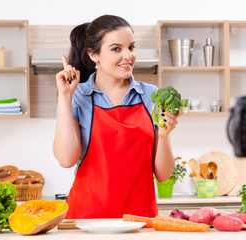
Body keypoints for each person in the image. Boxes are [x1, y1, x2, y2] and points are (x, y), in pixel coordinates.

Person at [53, 15, 183, 219]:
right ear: (93, 55)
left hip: (139, 222)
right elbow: (66, 158)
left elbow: (163, 175)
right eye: (116, 49)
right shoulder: (78, 96)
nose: (128, 56)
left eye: (131, 47)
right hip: (86, 223)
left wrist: (165, 136)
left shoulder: (150, 96)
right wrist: (64, 97)